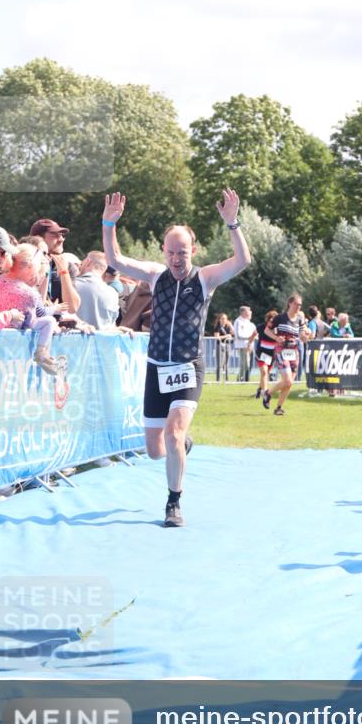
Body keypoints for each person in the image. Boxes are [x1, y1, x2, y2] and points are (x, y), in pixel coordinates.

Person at [101, 188, 250, 527]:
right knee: (155, 449)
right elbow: (116, 261)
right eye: (171, 252)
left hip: (187, 368)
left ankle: (173, 503)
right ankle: (184, 444)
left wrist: (233, 223)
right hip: (157, 368)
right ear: (164, 252)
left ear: (192, 251)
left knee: (173, 433)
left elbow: (242, 261)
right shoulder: (156, 276)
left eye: (182, 251)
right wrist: (108, 224)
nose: (177, 258)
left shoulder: (206, 278)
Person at [0, 244, 60, 374]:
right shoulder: (30, 293)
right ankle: (42, 352)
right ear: (31, 267)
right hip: (16, 334)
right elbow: (31, 320)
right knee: (50, 321)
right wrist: (56, 311)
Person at [262, 294, 309, 415]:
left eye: (300, 305)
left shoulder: (300, 319)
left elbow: (303, 336)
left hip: (294, 352)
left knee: (289, 384)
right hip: (281, 350)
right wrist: (277, 338)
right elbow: (267, 330)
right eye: (296, 304)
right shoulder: (279, 318)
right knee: (287, 381)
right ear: (290, 303)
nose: (298, 307)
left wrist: (306, 336)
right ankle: (268, 393)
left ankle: (278, 408)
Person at [29, 218, 81, 314]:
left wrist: (64, 273)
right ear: (38, 238)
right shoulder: (25, 264)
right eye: (55, 235)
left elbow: (72, 308)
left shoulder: (68, 267)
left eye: (62, 235)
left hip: (56, 326)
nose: (61, 239)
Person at [74, 251, 120, 330]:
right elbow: (112, 325)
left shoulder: (73, 285)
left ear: (88, 262)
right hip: (103, 341)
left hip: (75, 340)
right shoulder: (113, 293)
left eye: (83, 262)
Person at [251, 309, 278, 398]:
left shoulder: (277, 329)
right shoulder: (261, 327)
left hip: (271, 355)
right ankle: (265, 392)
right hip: (261, 353)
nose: (272, 323)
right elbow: (253, 334)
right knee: (264, 371)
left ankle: (259, 389)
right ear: (267, 319)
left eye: (274, 321)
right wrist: (248, 344)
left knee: (265, 374)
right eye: (270, 321)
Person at [233, 305, 256, 382]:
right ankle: (240, 379)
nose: (250, 313)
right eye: (248, 311)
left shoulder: (249, 322)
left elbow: (255, 333)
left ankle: (243, 379)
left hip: (250, 345)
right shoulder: (238, 321)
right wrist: (250, 337)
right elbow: (238, 335)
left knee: (247, 364)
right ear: (243, 312)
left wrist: (252, 338)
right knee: (245, 364)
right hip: (242, 346)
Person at [212, 312, 234, 381]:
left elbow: (233, 333)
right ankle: (218, 380)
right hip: (219, 345)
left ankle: (226, 380)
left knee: (226, 364)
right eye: (222, 319)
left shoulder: (228, 326)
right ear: (219, 319)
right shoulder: (217, 327)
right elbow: (216, 337)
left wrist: (231, 325)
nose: (224, 320)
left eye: (225, 319)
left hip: (227, 345)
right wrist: (226, 336)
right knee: (219, 364)